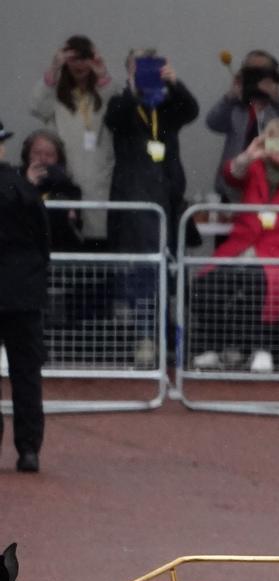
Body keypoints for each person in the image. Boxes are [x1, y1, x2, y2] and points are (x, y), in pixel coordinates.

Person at [188, 118, 279, 375]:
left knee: (258, 282)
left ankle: (261, 347)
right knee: (204, 282)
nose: (277, 149)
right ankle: (216, 347)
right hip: (242, 247)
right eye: (272, 142)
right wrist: (247, 156)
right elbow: (230, 174)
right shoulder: (254, 169)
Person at [104, 50, 200, 266]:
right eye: (137, 67)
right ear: (128, 71)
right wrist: (133, 91)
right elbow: (114, 120)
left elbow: (191, 111)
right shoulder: (121, 102)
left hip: (168, 190)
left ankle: (167, 299)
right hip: (133, 193)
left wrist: (175, 84)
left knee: (170, 258)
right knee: (139, 261)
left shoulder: (167, 105)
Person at [0, 121, 51, 472]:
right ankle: (28, 448)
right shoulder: (23, 188)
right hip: (22, 294)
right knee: (26, 375)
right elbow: (44, 242)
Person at [32, 37, 114, 244]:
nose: (79, 65)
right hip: (65, 182)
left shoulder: (104, 94)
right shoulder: (57, 97)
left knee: (99, 244)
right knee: (66, 241)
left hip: (99, 182)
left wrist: (102, 73)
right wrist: (54, 68)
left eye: (85, 58)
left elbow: (119, 104)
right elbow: (37, 106)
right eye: (73, 59)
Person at [204, 51, 279, 199]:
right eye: (251, 73)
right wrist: (230, 96)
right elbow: (212, 123)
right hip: (233, 185)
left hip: (273, 187)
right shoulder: (235, 107)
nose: (256, 80)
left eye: (262, 74)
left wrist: (276, 100)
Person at [20, 132, 86, 252]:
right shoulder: (15, 183)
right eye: (37, 153)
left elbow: (70, 224)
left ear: (58, 159)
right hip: (26, 251)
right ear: (27, 155)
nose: (43, 159)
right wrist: (29, 185)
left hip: (60, 250)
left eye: (49, 154)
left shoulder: (69, 189)